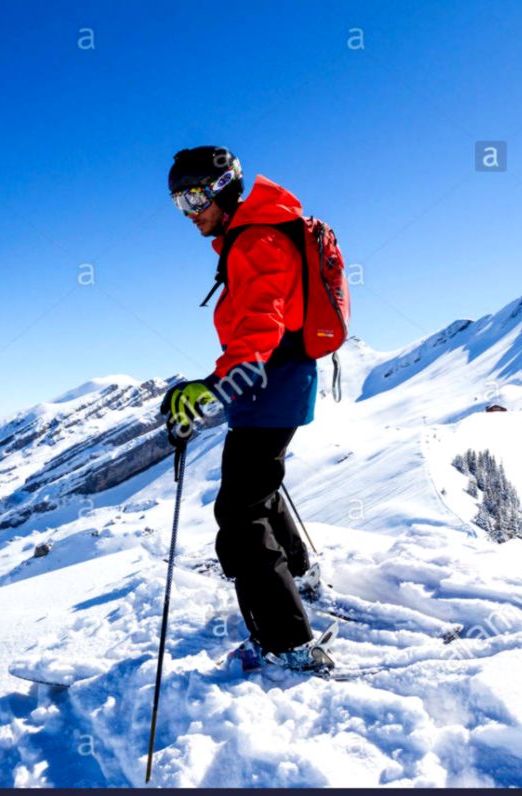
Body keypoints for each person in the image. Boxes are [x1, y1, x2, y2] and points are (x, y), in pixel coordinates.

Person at [159, 146, 330, 673]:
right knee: (257, 489)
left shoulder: (255, 239)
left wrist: (211, 388)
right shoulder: (254, 231)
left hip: (270, 383)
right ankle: (298, 574)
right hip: (274, 383)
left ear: (222, 187)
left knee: (238, 513)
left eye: (193, 197)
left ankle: (287, 643)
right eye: (178, 202)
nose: (189, 213)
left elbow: (260, 329)